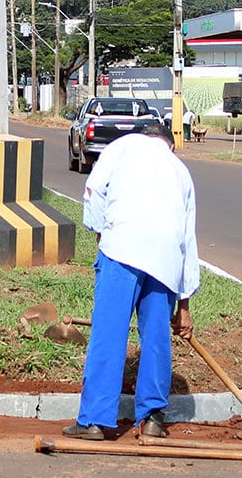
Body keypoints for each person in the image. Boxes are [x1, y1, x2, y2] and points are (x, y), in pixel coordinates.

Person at [65, 119, 200, 441]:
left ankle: (96, 421)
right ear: (170, 144)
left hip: (122, 248)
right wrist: (184, 307)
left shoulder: (120, 147)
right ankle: (153, 419)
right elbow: (188, 240)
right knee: (156, 338)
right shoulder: (180, 170)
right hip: (167, 258)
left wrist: (101, 232)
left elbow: (93, 191)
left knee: (109, 333)